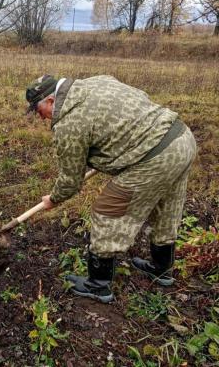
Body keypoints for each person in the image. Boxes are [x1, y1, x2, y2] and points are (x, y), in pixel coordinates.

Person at [25, 74, 196, 303]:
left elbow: (70, 181)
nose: (40, 118)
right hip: (180, 138)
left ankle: (98, 285)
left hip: (154, 158)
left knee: (106, 211)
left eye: (38, 111)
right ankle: (161, 269)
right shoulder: (97, 81)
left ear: (51, 101)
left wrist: (53, 199)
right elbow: (135, 100)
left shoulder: (69, 123)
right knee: (167, 207)